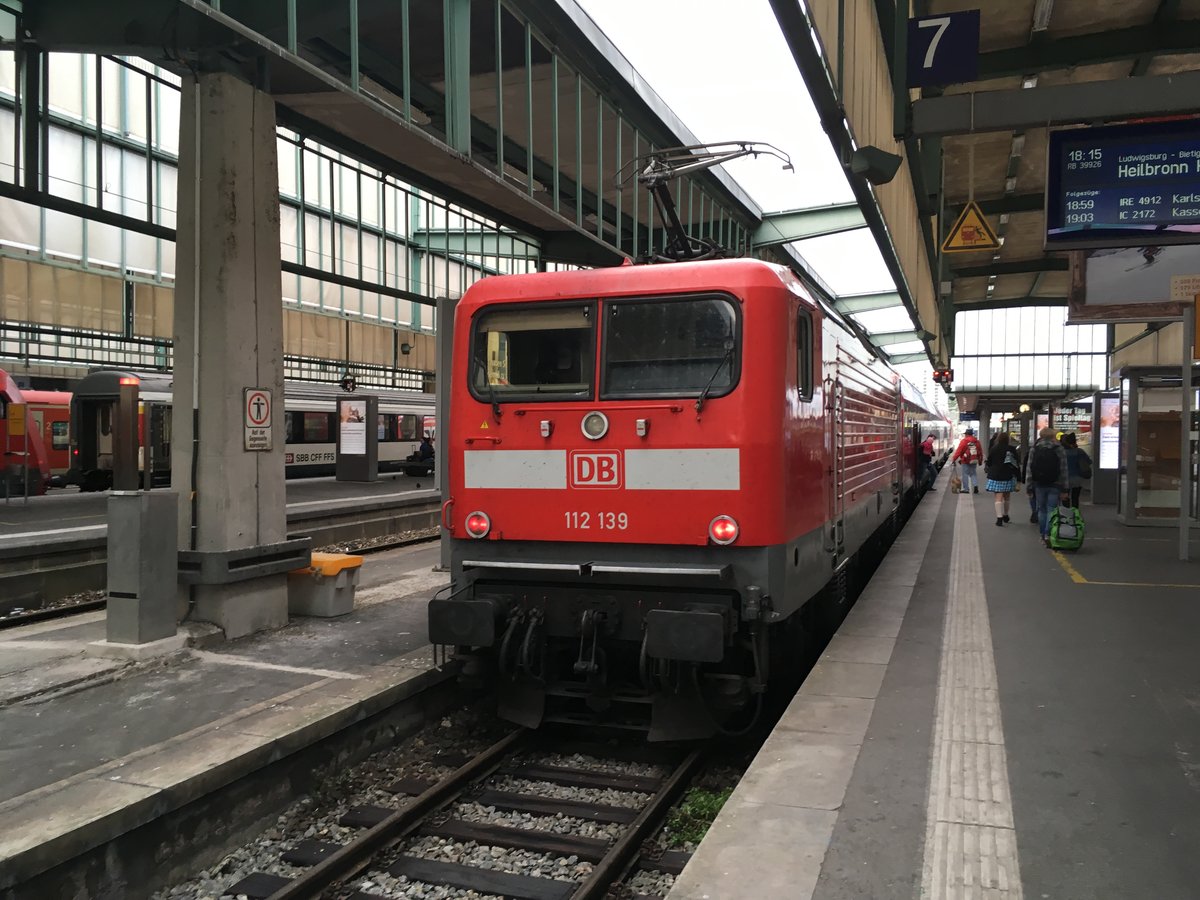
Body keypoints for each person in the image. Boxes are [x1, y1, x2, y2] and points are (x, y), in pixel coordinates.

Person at [1024, 426, 1069, 545]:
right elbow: (1064, 470)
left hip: (1039, 484)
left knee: (1042, 509)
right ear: (1053, 436)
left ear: (1040, 435)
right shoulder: (1059, 448)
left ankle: (1042, 535)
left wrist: (1029, 486)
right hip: (1055, 484)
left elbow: (1029, 469)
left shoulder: (1035, 448)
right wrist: (1065, 489)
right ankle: (1049, 534)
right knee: (1052, 509)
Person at [985, 432, 1021, 526]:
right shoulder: (1011, 449)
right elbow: (1016, 464)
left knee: (998, 497)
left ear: (998, 439)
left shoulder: (994, 448)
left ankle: (999, 518)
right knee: (1007, 496)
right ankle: (1006, 515)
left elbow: (989, 462)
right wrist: (1019, 479)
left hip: (996, 475)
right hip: (1008, 474)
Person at [1061, 432, 1092, 508]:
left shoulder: (1061, 452)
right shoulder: (1079, 451)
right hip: (1077, 478)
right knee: (1075, 497)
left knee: (1065, 497)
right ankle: (1075, 513)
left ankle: (1067, 515)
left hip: (1065, 479)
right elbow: (1089, 462)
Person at [950, 427, 983, 495]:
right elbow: (980, 452)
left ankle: (966, 489)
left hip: (965, 460)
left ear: (966, 434)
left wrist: (954, 459)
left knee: (965, 474)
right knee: (973, 473)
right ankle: (975, 485)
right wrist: (980, 460)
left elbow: (959, 451)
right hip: (974, 459)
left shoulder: (964, 441)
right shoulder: (977, 441)